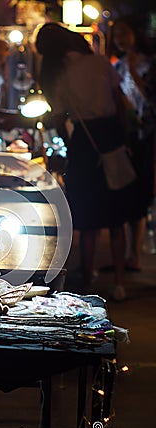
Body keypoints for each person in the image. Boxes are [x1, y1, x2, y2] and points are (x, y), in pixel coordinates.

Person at [35, 23, 136, 300]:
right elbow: (119, 102)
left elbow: (58, 115)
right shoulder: (100, 63)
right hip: (111, 137)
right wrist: (123, 138)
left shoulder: (59, 74)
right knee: (118, 216)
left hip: (83, 141)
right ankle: (119, 282)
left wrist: (70, 146)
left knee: (88, 217)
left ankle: (88, 280)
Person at [110, 15, 156, 271]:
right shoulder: (116, 66)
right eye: (116, 33)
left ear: (136, 33)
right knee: (125, 192)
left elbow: (150, 100)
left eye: (124, 32)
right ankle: (127, 254)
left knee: (140, 193)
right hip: (125, 136)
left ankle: (134, 254)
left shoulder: (149, 64)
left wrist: (133, 73)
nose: (119, 38)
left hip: (144, 136)